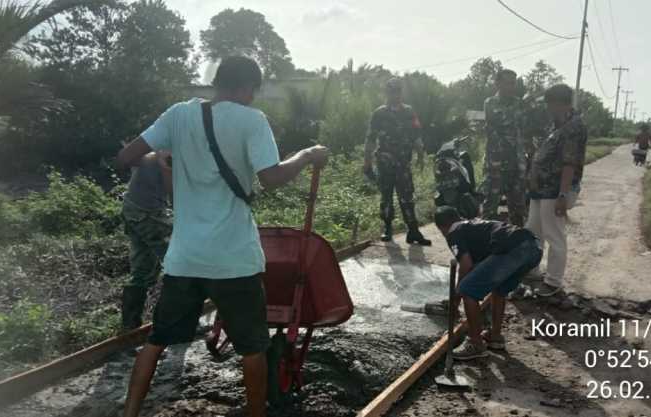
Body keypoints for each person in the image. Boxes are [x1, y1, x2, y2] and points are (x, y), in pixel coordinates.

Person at [115, 56, 329, 417]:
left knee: (156, 341)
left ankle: (131, 412)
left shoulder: (178, 115)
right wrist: (307, 155)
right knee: (252, 348)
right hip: (233, 259)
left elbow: (126, 156)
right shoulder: (252, 120)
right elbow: (271, 177)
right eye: (254, 92)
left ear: (218, 82)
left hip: (184, 257)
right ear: (247, 88)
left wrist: (169, 159)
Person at [434, 206, 543, 360]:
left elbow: (465, 265)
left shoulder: (453, 233)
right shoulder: (474, 227)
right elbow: (478, 265)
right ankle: (495, 337)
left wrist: (456, 298)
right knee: (499, 289)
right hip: (533, 247)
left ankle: (475, 343)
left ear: (441, 227)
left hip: (514, 249)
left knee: (467, 289)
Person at [525, 84, 588, 296]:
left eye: (550, 104)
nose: (548, 108)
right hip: (541, 189)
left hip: (555, 190)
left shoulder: (573, 127)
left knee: (554, 234)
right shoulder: (557, 124)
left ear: (560, 103)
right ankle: (532, 270)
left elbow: (569, 164)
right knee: (533, 231)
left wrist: (562, 195)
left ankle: (553, 281)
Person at [363, 77, 431, 245]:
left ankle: (413, 231)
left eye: (398, 90)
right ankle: (388, 228)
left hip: (403, 163)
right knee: (386, 197)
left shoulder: (409, 112)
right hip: (385, 163)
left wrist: (421, 155)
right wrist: (367, 162)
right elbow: (370, 139)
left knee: (407, 197)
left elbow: (416, 135)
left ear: (401, 92)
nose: (395, 94)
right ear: (386, 93)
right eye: (392, 91)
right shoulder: (379, 114)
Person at [119, 151, 172, 334]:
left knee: (143, 267)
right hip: (146, 213)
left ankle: (129, 325)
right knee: (179, 260)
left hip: (134, 210)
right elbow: (176, 193)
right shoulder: (169, 155)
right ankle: (176, 318)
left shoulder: (154, 153)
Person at [480, 69, 527, 226]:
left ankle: (516, 243)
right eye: (508, 83)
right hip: (496, 163)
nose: (512, 86)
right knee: (490, 205)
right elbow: (493, 129)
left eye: (514, 83)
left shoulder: (519, 103)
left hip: (516, 162)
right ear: (498, 83)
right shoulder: (490, 103)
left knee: (518, 208)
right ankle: (486, 242)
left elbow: (524, 129)